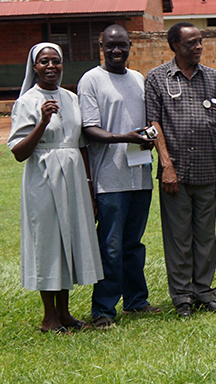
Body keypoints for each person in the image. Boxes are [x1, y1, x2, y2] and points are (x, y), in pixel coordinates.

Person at [8, 42, 103, 333]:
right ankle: (48, 317)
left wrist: (89, 186)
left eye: (56, 61)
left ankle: (65, 314)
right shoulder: (26, 102)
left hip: (73, 176)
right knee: (48, 242)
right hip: (43, 177)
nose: (51, 67)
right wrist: (42, 121)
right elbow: (19, 152)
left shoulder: (71, 98)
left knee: (68, 242)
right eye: (44, 62)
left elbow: (81, 145)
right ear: (34, 66)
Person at [145, 22, 216, 317]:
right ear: (174, 47)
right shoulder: (157, 79)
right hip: (176, 175)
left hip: (208, 170)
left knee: (205, 236)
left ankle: (204, 292)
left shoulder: (214, 78)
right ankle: (182, 296)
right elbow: (154, 124)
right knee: (178, 237)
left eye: (200, 42)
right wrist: (166, 165)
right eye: (191, 43)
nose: (198, 47)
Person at [78, 25, 159, 330]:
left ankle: (136, 302)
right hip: (109, 178)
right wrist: (121, 137)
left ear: (130, 46)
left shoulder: (138, 78)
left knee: (133, 244)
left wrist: (145, 138)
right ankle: (103, 309)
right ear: (101, 45)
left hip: (140, 174)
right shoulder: (92, 80)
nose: (116, 51)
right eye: (110, 46)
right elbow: (89, 128)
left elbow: (143, 123)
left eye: (122, 45)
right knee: (110, 246)